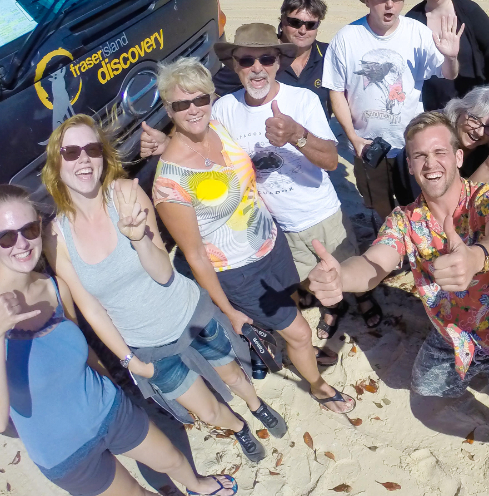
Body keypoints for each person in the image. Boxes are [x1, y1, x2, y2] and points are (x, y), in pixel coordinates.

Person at [43, 114, 279, 463]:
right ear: (55, 163)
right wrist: (129, 360)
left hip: (188, 313)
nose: (83, 158)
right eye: (71, 151)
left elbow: (162, 271)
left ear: (103, 156)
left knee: (233, 374)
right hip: (147, 345)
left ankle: (257, 405)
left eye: (92, 148)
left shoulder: (125, 193)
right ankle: (241, 428)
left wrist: (138, 239)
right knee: (208, 410)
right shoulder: (56, 236)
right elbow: (90, 307)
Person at [306, 112, 489, 463]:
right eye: (420, 156)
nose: (431, 163)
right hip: (451, 336)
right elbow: (374, 263)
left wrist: (476, 259)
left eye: (440, 152)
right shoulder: (404, 219)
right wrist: (340, 276)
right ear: (412, 167)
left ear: (458, 156)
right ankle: (477, 374)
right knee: (426, 387)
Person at [144, 25, 382, 347]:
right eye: (246, 61)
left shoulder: (302, 99)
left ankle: (365, 301)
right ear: (234, 65)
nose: (257, 68)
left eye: (266, 58)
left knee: (346, 267)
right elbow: (196, 128)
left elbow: (329, 161)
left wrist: (297, 134)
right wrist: (166, 142)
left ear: (278, 62)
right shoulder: (225, 108)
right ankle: (332, 310)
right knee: (314, 282)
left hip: (319, 214)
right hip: (277, 227)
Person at [0, 183, 238, 496]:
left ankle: (197, 486)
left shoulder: (55, 286)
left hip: (109, 408)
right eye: (6, 236)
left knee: (173, 459)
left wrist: (113, 384)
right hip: (65, 452)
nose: (21, 243)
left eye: (29, 229)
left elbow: (81, 348)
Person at [150, 58, 354, 414]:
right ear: (168, 108)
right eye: (181, 104)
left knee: (289, 310)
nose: (193, 109)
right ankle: (319, 387)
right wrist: (228, 311)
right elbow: (195, 255)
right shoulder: (170, 182)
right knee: (300, 334)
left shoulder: (217, 127)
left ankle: (285, 346)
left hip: (272, 245)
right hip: (237, 271)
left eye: (200, 99)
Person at [323, 0, 464, 221]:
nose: (390, 4)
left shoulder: (418, 33)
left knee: (421, 207)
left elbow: (448, 73)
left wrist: (451, 57)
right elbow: (336, 92)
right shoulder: (346, 38)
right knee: (380, 209)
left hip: (412, 146)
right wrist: (353, 138)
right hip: (368, 146)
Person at [212, 0, 333, 118]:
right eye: (295, 23)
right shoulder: (257, 55)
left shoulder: (330, 55)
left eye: (311, 25)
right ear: (282, 21)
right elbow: (211, 90)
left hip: (318, 135)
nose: (302, 30)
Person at [442, 85, 489, 183]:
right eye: (475, 119)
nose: (480, 132)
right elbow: (455, 198)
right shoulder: (438, 137)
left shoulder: (487, 151)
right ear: (459, 110)